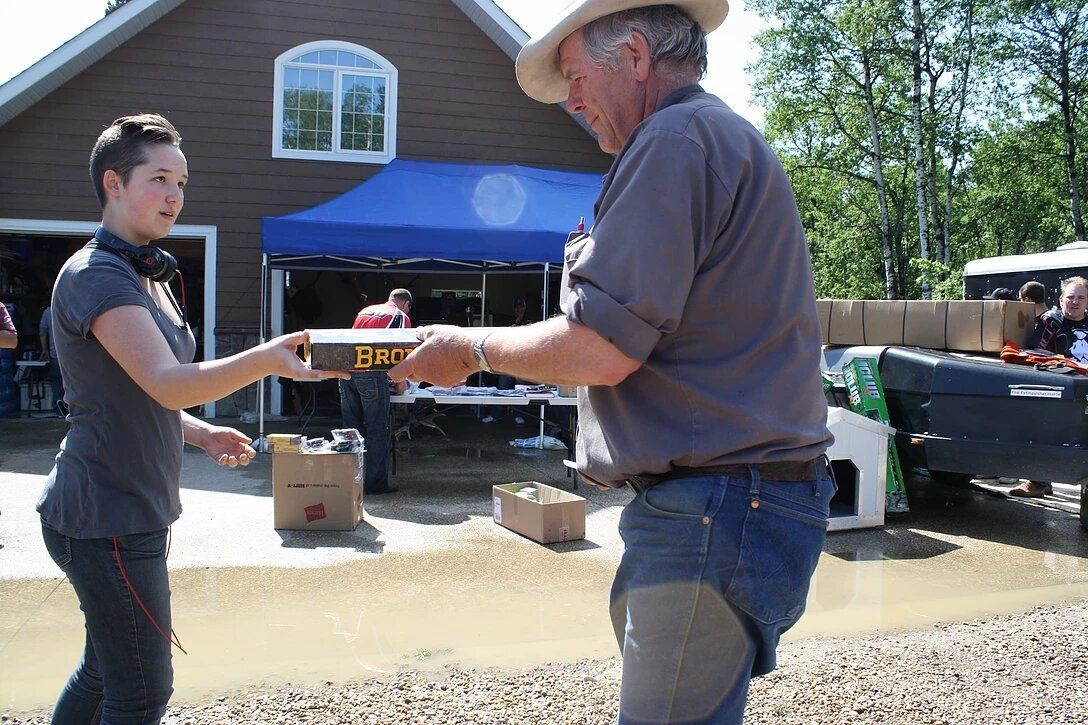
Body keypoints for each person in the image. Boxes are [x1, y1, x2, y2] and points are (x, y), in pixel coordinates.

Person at [389, 3, 835, 722]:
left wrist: (470, 350)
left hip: (716, 504)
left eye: (575, 76)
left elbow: (601, 346)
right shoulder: (713, 136)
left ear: (633, 56)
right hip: (738, 499)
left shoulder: (673, 140)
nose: (571, 100)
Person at [36, 114, 346, 725]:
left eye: (181, 183)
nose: (175, 196)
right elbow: (166, 380)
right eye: (159, 179)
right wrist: (267, 359)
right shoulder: (97, 274)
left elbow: (136, 393)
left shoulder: (144, 273)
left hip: (128, 506)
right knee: (141, 691)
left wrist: (200, 432)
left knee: (105, 669)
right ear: (113, 183)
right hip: (105, 514)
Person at [1011, 276, 1088, 498]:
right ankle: (1039, 481)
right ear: (1062, 299)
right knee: (1042, 430)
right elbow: (1034, 351)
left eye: (1081, 297)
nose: (1075, 302)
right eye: (1070, 297)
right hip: (1059, 388)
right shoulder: (1051, 321)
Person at [340, 288, 413, 494]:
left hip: (347, 373)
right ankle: (375, 484)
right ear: (406, 303)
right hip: (371, 374)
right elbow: (400, 352)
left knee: (350, 432)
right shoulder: (399, 316)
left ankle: (348, 482)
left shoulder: (365, 311)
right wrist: (400, 382)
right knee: (377, 430)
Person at [482, 297, 532, 424]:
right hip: (508, 362)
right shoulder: (508, 320)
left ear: (525, 307)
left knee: (520, 389)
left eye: (521, 307)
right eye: (516, 307)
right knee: (501, 388)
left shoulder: (529, 322)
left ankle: (517, 415)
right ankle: (495, 414)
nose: (519, 309)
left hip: (522, 363)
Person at [39, 304, 66, 416]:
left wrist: (44, 350)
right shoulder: (72, 308)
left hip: (55, 353)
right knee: (71, 381)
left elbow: (42, 332)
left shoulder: (48, 312)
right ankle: (71, 407)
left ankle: (58, 407)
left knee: (56, 380)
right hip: (71, 354)